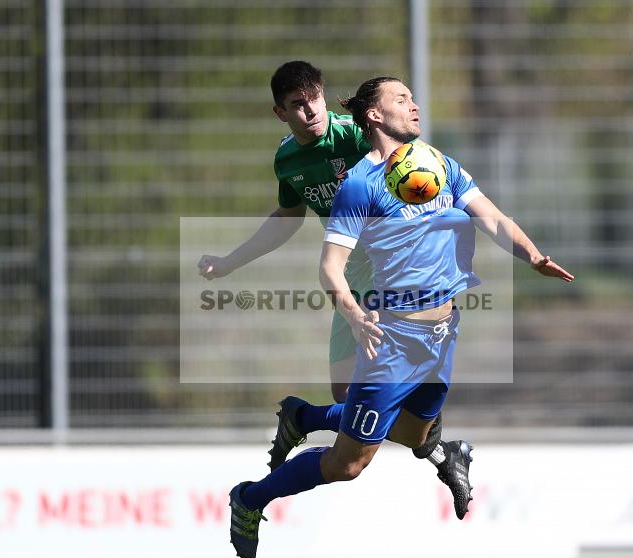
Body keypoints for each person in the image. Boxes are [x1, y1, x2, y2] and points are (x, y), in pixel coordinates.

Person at [227, 77, 574, 558]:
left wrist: (533, 255)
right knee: (348, 465)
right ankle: (250, 498)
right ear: (373, 115)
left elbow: (491, 217)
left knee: (414, 435)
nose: (414, 106)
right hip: (393, 339)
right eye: (401, 99)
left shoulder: (436, 163)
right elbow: (329, 266)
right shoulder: (360, 185)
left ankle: (304, 417)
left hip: (443, 332)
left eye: (412, 97)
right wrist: (353, 313)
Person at [197, 61, 471, 512]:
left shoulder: (356, 136)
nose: (310, 112)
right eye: (297, 105)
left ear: (325, 95)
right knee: (351, 398)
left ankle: (307, 421)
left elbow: (416, 166)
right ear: (279, 112)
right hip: (350, 280)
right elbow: (287, 219)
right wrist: (230, 262)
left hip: (393, 278)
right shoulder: (287, 159)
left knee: (369, 417)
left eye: (315, 99)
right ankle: (437, 450)